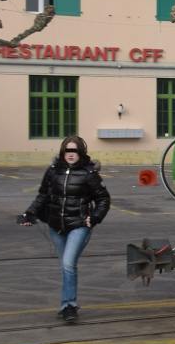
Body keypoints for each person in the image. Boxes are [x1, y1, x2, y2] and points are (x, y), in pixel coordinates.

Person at [18, 135, 111, 323]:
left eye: (74, 150)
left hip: (79, 226)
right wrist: (30, 213)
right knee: (65, 267)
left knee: (69, 264)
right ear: (62, 152)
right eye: (67, 150)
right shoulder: (53, 172)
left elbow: (103, 199)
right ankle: (65, 305)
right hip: (56, 227)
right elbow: (42, 196)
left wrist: (94, 218)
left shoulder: (89, 173)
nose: (70, 154)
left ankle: (69, 306)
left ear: (81, 153)